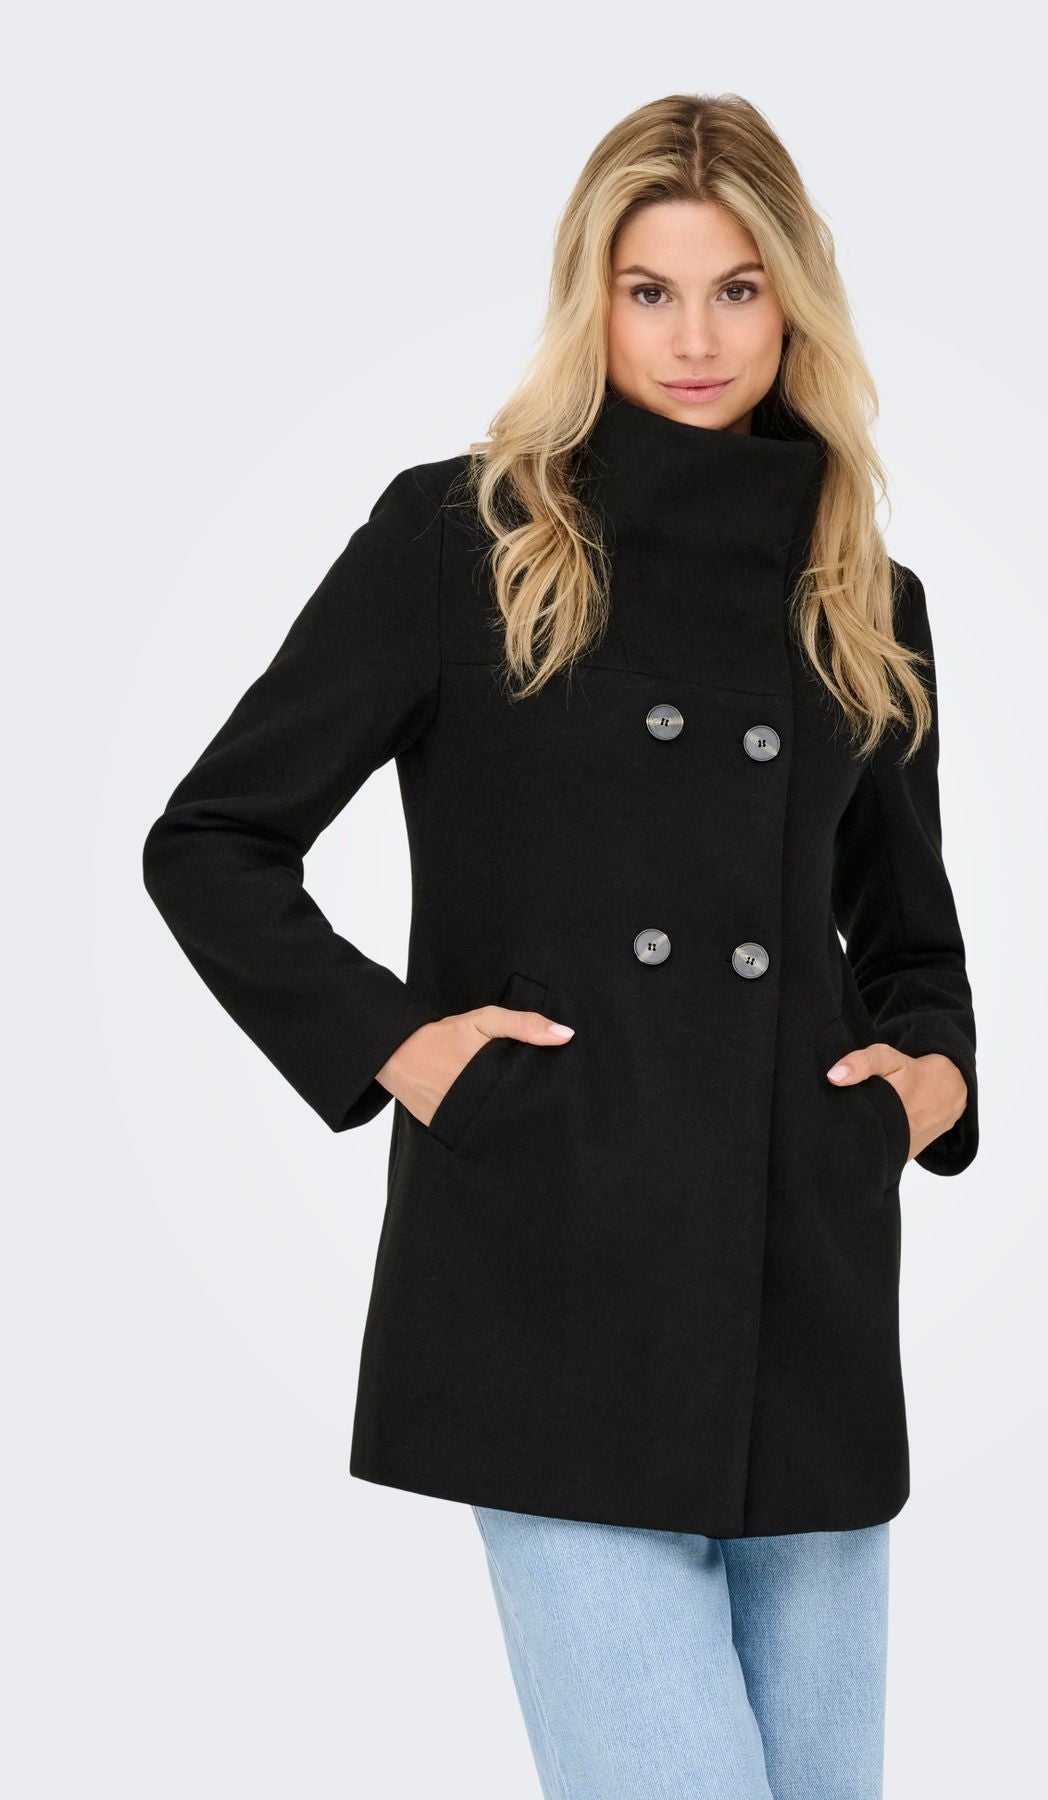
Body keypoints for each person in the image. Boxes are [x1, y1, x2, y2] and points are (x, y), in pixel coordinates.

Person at [143, 91, 979, 1800]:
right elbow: (213, 841)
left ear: (796, 303)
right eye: (647, 290)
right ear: (587, 299)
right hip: (552, 1274)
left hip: (803, 1299)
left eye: (737, 289)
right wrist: (405, 1048)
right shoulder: (465, 541)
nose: (694, 338)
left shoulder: (865, 597)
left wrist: (919, 1091)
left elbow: (912, 943)